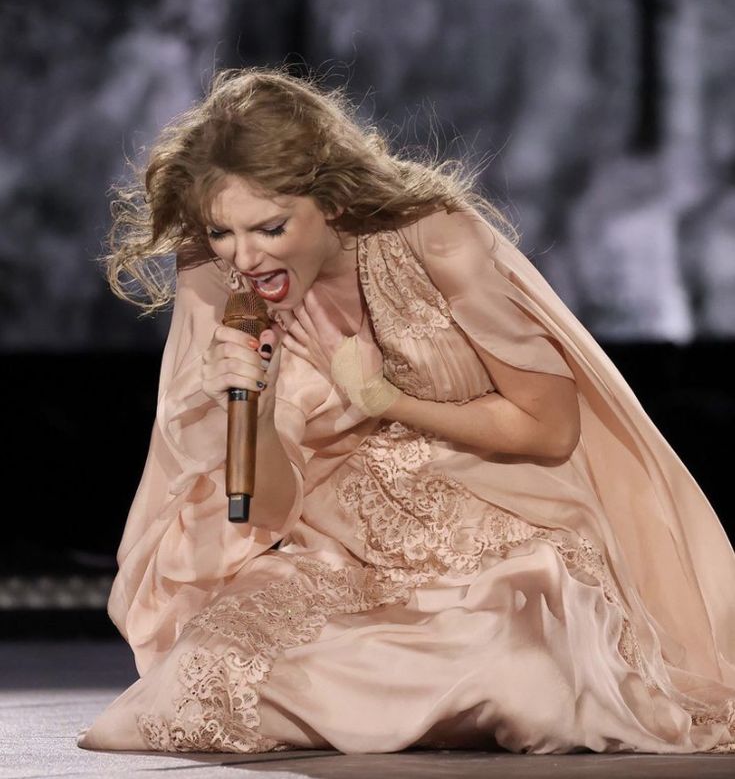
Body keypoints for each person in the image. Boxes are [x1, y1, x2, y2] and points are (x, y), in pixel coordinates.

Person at [77, 66, 735, 756]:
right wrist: (260, 405)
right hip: (347, 541)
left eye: (270, 227)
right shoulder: (220, 283)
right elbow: (267, 508)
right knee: (203, 679)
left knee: (516, 662)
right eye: (221, 232)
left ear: (328, 200)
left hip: (503, 510)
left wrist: (384, 399)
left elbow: (548, 426)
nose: (244, 257)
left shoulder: (434, 239)